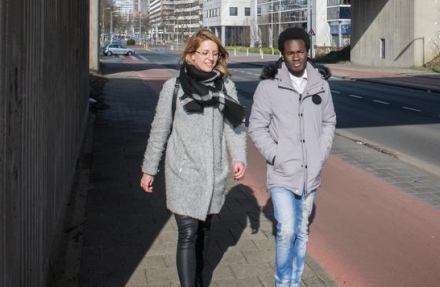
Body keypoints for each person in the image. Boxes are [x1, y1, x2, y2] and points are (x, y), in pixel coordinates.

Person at [140, 29, 247, 287]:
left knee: (205, 229)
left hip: (214, 172)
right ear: (191, 55)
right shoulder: (174, 88)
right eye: (204, 53)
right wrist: (149, 169)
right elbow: (160, 129)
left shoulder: (225, 86)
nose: (210, 58)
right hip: (183, 171)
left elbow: (235, 126)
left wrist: (238, 157)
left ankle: (198, 278)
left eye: (214, 53)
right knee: (187, 233)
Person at [248, 27, 337, 287]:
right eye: (290, 53)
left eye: (300, 52)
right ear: (282, 55)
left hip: (311, 172)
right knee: (286, 230)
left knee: (301, 231)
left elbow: (329, 121)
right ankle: (281, 282)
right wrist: (276, 156)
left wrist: (321, 154)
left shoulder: (321, 85)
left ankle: (294, 282)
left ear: (307, 52)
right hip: (282, 174)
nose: (296, 57)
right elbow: (256, 126)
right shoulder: (267, 87)